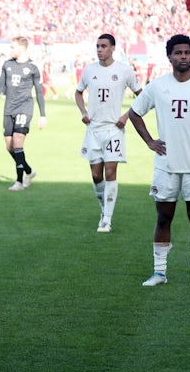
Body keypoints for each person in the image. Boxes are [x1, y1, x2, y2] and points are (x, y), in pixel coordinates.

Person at [129, 34, 190, 289]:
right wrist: (150, 141)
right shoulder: (158, 86)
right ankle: (160, 272)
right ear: (169, 57)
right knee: (163, 218)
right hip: (166, 166)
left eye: (187, 52)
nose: (183, 56)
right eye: (178, 53)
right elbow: (134, 113)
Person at [75, 34, 142, 233]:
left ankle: (107, 220)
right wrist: (84, 112)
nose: (99, 49)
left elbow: (142, 95)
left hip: (114, 130)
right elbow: (78, 93)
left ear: (113, 48)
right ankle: (105, 209)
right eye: (97, 46)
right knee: (96, 175)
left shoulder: (124, 71)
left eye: (103, 46)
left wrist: (126, 116)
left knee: (110, 172)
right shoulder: (90, 70)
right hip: (93, 130)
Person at [0, 36, 47, 191]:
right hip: (9, 109)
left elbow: (39, 92)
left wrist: (42, 115)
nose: (10, 50)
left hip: (25, 108)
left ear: (21, 48)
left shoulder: (33, 67)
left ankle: (19, 182)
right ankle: (29, 171)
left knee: (17, 141)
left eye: (12, 47)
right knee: (10, 147)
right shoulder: (7, 64)